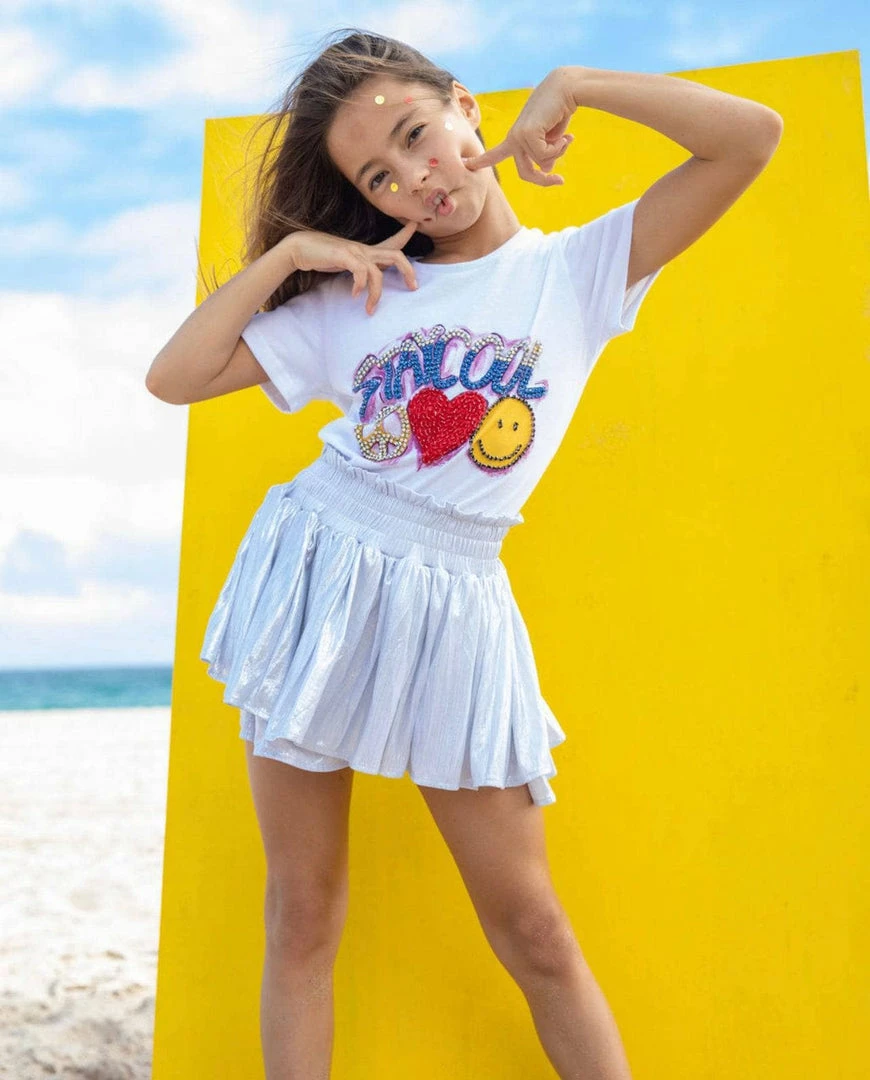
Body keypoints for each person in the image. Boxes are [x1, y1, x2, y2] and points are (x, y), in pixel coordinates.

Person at [146, 27, 782, 1080]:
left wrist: (576, 82)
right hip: (322, 574)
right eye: (378, 178)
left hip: (458, 600)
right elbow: (175, 378)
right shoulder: (361, 292)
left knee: (534, 929)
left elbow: (751, 138)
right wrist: (292, 259)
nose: (415, 181)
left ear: (464, 105)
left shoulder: (577, 271)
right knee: (303, 911)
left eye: (415, 135)